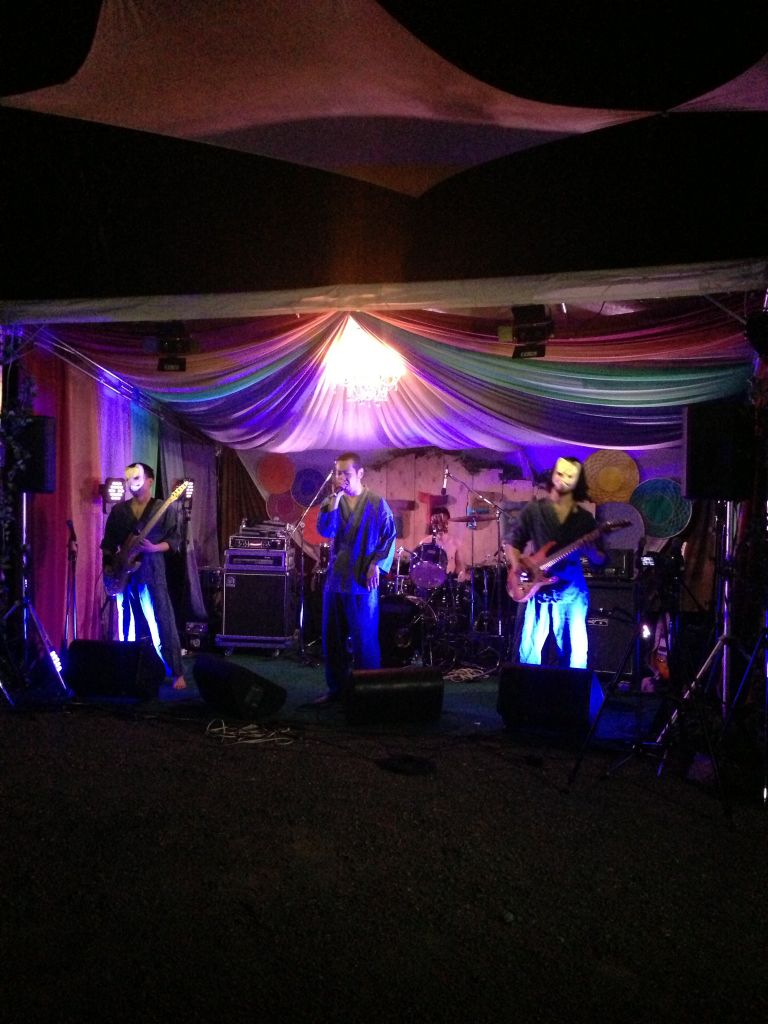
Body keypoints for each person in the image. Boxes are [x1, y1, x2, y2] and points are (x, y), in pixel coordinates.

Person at [503, 456, 606, 669]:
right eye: (560, 473)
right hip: (537, 589)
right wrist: (517, 565)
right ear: (553, 476)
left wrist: (592, 551)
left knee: (576, 653)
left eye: (570, 476)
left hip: (572, 591)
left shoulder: (584, 519)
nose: (564, 479)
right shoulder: (533, 511)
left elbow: (601, 560)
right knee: (529, 652)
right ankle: (529, 688)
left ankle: (574, 689)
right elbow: (512, 542)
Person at [314, 451, 397, 703]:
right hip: (336, 580)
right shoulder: (332, 501)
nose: (341, 477)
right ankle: (336, 690)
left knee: (364, 640)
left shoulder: (376, 503)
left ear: (360, 473)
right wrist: (335, 499)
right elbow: (325, 530)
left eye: (346, 473)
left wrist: (376, 564)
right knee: (333, 640)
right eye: (337, 473)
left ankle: (368, 692)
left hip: (362, 582)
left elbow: (389, 536)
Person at [101, 462, 187, 690]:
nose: (132, 483)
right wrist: (110, 568)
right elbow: (108, 544)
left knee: (161, 619)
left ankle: (175, 672)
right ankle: (126, 667)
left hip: (151, 568)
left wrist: (154, 548)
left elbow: (174, 541)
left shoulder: (163, 508)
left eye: (137, 477)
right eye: (129, 478)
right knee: (125, 620)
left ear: (150, 481)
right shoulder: (119, 511)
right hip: (123, 569)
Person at [416, 506, 465, 581]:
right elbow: (420, 568)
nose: (440, 525)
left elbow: (460, 566)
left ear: (448, 522)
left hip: (450, 583)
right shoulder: (425, 543)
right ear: (432, 523)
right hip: (431, 582)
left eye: (443, 522)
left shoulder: (455, 543)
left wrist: (461, 575)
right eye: (437, 522)